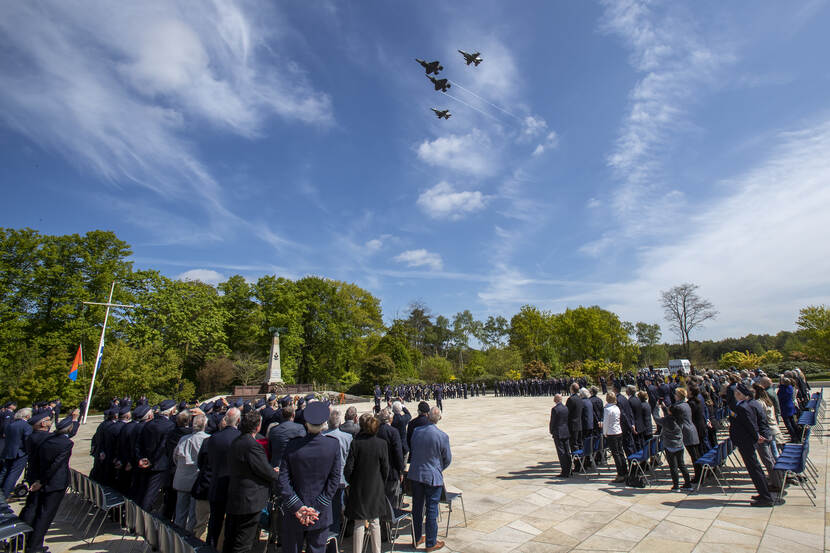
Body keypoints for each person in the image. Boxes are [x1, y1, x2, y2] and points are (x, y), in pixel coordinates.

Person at [278, 401, 341, 553]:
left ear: (306, 423)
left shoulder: (293, 446)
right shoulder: (332, 445)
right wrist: (317, 508)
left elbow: (283, 480)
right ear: (324, 423)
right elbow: (334, 481)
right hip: (320, 512)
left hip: (295, 511)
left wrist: (297, 507)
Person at [26, 415, 75, 553]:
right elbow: (55, 465)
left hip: (40, 479)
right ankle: (34, 546)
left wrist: (37, 480)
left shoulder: (46, 438)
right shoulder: (65, 443)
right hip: (53, 482)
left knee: (38, 511)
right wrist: (41, 481)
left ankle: (31, 541)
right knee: (45, 515)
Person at [344, 413, 390, 553]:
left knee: (359, 522)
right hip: (375, 487)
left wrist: (353, 481)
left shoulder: (356, 443)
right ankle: (376, 550)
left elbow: (348, 469)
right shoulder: (381, 444)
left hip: (359, 487)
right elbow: (385, 468)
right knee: (375, 522)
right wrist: (380, 482)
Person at [407, 407, 451, 552]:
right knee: (432, 510)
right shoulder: (442, 436)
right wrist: (437, 468)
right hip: (432, 476)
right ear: (438, 418)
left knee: (417, 507)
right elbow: (447, 459)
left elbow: (412, 449)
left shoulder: (416, 432)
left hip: (416, 474)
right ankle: (430, 542)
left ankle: (417, 537)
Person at [732, 383, 779, 506]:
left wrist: (756, 436)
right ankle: (763, 493)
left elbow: (750, 423)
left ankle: (765, 497)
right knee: (755, 468)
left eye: (736, 393)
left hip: (746, 441)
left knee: (755, 469)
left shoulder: (744, 407)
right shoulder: (750, 404)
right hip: (748, 440)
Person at [207, 408, 241, 549]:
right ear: (239, 421)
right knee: (231, 527)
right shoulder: (240, 438)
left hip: (216, 484)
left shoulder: (213, 437)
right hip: (233, 487)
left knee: (214, 524)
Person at [135, 400, 177, 511]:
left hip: (145, 462)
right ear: (172, 411)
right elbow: (162, 447)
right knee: (150, 495)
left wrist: (141, 458)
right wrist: (152, 461)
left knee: (143, 491)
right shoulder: (170, 426)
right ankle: (143, 521)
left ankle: (137, 517)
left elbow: (139, 443)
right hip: (159, 465)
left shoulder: (149, 424)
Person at [173, 412, 209, 532]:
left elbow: (175, 458)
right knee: (193, 516)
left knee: (180, 514)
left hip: (182, 480)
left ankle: (178, 539)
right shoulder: (207, 439)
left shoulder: (183, 439)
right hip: (195, 480)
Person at [323, 409, 353, 537]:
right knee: (338, 506)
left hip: (324, 478)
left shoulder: (322, 436)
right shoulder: (347, 437)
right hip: (341, 477)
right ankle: (336, 533)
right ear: (340, 422)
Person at [655, 400, 692, 490]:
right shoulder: (680, 419)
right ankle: (688, 484)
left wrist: (656, 408)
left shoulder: (667, 420)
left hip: (670, 445)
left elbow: (657, 418)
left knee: (673, 467)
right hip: (679, 444)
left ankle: (676, 485)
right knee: (681, 465)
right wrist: (664, 407)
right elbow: (669, 413)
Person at [0, 407, 32, 497]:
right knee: (13, 474)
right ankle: (5, 494)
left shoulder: (11, 424)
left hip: (8, 451)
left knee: (4, 472)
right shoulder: (27, 426)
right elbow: (27, 440)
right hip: (20, 453)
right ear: (27, 416)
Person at [671, 389, 701, 483]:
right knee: (695, 454)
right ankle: (699, 474)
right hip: (692, 428)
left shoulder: (679, 406)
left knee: (694, 455)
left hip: (687, 431)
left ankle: (698, 476)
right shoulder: (686, 404)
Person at [376, 408, 405, 506]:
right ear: (390, 419)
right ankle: (390, 520)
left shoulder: (375, 430)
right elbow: (398, 452)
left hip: (377, 471)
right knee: (392, 501)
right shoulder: (393, 432)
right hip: (391, 471)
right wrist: (401, 470)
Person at [602, 392, 626, 483]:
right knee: (620, 452)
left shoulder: (607, 409)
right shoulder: (616, 408)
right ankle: (624, 471)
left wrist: (605, 433)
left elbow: (606, 422)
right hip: (618, 431)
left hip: (612, 433)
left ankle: (620, 474)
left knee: (616, 454)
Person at [549, 394, 571, 477]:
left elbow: (553, 422)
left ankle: (564, 471)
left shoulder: (555, 409)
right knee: (567, 451)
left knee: (561, 452)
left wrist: (551, 431)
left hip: (558, 432)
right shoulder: (565, 408)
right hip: (565, 431)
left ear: (556, 400)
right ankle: (569, 469)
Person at [776, 376, 800, 443]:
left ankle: (794, 437)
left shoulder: (782, 389)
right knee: (792, 422)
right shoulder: (790, 387)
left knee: (788, 424)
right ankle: (798, 435)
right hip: (790, 406)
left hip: (785, 407)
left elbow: (779, 398)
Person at [565, 383, 583, 452]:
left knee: (573, 444)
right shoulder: (580, 398)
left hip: (572, 425)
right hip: (579, 424)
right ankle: (582, 460)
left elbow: (567, 412)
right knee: (579, 443)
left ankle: (576, 461)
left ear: (571, 389)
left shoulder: (571, 399)